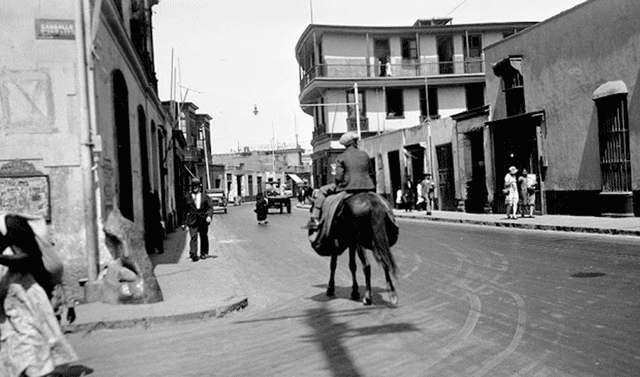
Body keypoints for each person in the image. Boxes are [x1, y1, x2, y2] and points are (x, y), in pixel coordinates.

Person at [0, 213, 78, 377]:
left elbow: (31, 258)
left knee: (32, 338)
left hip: (26, 292)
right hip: (8, 294)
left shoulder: (12, 224)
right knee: (14, 342)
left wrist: (1, 258)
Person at [304, 131, 375, 230]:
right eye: (356, 141)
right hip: (368, 187)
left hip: (349, 187)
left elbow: (339, 177)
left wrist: (339, 184)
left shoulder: (341, 157)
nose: (357, 142)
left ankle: (314, 220)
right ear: (354, 143)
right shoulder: (365, 155)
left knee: (322, 190)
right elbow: (371, 172)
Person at [182, 178, 214, 261]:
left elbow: (210, 207)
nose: (194, 188)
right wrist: (183, 222)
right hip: (192, 220)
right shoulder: (188, 197)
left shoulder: (205, 197)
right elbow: (184, 210)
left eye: (196, 186)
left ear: (199, 187)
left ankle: (203, 253)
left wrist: (209, 216)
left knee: (203, 236)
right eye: (193, 186)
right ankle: (193, 253)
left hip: (203, 219)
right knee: (193, 236)